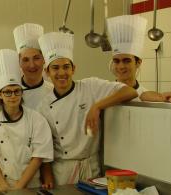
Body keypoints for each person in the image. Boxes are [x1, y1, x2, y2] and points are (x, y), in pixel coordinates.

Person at [36, 31, 138, 185]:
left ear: (73, 69)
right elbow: (44, 148)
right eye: (55, 68)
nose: (61, 73)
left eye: (66, 67)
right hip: (62, 172)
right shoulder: (43, 106)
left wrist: (97, 106)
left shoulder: (91, 86)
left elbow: (130, 91)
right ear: (47, 72)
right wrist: (48, 178)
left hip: (92, 167)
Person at [0, 49, 55, 194]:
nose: (13, 96)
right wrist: (3, 186)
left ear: (21, 92)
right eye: (7, 92)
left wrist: (19, 187)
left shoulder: (36, 119)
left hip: (30, 183)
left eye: (16, 91)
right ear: (0, 94)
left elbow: (37, 157)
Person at [107, 15, 149, 101]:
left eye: (126, 61)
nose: (121, 66)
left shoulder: (145, 96)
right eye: (116, 61)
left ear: (138, 63)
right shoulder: (105, 94)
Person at [13, 23, 54, 109]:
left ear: (44, 59)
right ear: (19, 62)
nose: (32, 65)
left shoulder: (53, 91)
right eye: (26, 60)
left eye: (36, 58)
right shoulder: (11, 94)